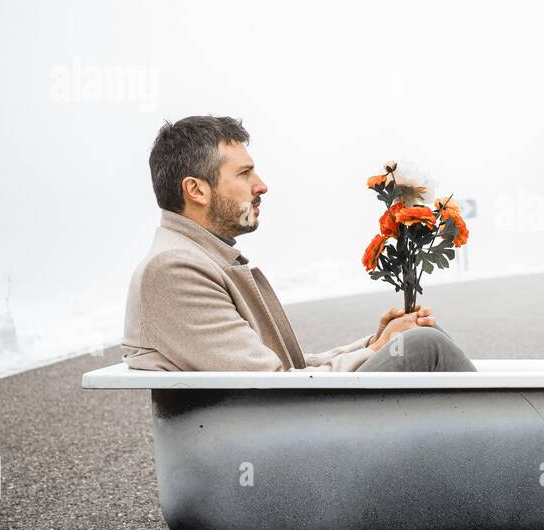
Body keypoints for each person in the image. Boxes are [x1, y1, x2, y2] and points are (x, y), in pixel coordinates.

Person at [121, 115, 476, 373]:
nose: (261, 185)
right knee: (422, 344)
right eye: (244, 173)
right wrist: (384, 349)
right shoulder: (174, 269)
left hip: (283, 419)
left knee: (417, 334)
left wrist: (373, 344)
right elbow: (274, 384)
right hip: (284, 435)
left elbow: (288, 367)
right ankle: (504, 446)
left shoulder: (200, 256)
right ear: (196, 189)